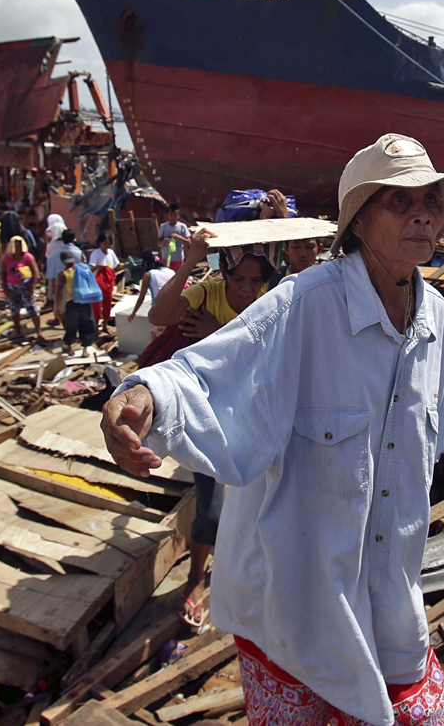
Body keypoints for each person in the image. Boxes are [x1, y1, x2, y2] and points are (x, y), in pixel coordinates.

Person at [101, 134, 444, 726]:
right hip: (293, 604)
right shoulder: (302, 306)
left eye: (431, 200)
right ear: (358, 220)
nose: (423, 213)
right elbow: (206, 373)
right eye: (400, 202)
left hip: (388, 599)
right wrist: (142, 395)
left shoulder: (434, 318)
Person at [144, 228, 274, 629]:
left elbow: (275, 352)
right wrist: (189, 262)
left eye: (256, 281)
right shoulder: (206, 293)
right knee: (212, 511)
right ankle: (196, 580)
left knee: (261, 508)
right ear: (224, 275)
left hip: (256, 416)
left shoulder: (272, 300)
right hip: (211, 420)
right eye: (238, 280)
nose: (247, 289)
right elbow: (157, 316)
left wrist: (214, 335)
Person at [54, 249, 99, 353]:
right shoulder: (83, 269)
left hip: (72, 302)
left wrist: (57, 307)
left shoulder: (63, 274)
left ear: (63, 261)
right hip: (85, 301)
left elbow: (59, 292)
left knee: (71, 325)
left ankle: (69, 348)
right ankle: (85, 350)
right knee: (86, 325)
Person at [0, 235, 42, 337]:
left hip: (25, 286)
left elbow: (35, 271)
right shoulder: (6, 258)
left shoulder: (27, 256)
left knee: (32, 309)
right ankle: (18, 330)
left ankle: (38, 332)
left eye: (19, 245)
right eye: (15, 245)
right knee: (14, 309)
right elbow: (3, 273)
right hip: (12, 287)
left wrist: (32, 286)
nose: (17, 247)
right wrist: (5, 288)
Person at [127, 251, 177, 330]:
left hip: (159, 311)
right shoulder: (171, 271)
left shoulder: (148, 275)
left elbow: (141, 297)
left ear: (145, 263)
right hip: (175, 309)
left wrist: (133, 313)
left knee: (158, 339)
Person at [46, 228, 83, 325]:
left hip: (61, 284)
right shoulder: (79, 253)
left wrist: (53, 287)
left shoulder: (54, 255)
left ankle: (59, 320)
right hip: (76, 283)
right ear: (73, 239)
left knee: (61, 307)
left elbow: (51, 274)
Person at [89, 232, 122, 335]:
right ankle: (95, 327)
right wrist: (97, 267)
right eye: (105, 243)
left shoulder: (111, 253)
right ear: (99, 243)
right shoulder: (95, 254)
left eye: (108, 243)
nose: (107, 246)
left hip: (108, 282)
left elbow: (116, 265)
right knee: (97, 306)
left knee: (107, 304)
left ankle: (105, 325)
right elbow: (90, 268)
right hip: (98, 283)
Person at [159, 204, 192, 271]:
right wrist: (164, 242)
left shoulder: (182, 226)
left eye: (175, 215)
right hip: (166, 259)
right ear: (168, 215)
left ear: (178, 215)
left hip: (178, 259)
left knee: (178, 278)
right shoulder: (163, 227)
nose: (173, 217)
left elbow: (189, 242)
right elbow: (158, 244)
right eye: (171, 215)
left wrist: (179, 237)